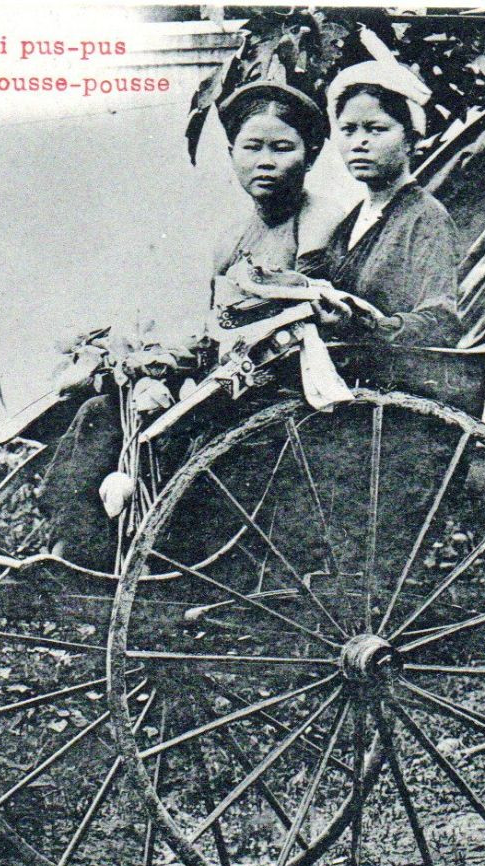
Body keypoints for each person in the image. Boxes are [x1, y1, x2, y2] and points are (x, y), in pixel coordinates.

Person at [39, 82, 344, 571]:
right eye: (252, 147)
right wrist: (157, 359)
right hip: (228, 371)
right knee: (99, 411)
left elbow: (301, 314)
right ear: (231, 154)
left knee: (174, 428)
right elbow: (214, 319)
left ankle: (163, 558)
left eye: (282, 148)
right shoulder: (236, 234)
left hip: (275, 383)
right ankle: (77, 547)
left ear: (310, 155)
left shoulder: (318, 223)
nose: (265, 161)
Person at [313, 60, 464, 360]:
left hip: (395, 377)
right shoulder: (354, 218)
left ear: (411, 140)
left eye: (376, 129)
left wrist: (367, 325)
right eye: (348, 130)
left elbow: (441, 321)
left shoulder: (426, 217)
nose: (359, 143)